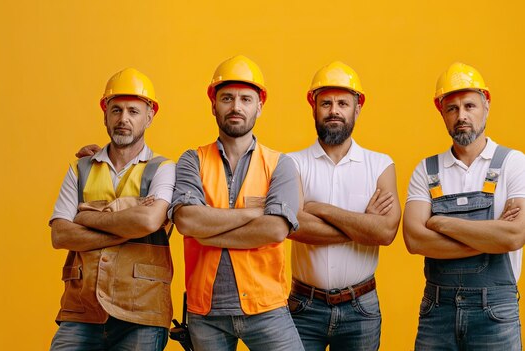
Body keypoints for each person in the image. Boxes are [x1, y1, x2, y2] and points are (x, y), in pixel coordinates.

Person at [168, 55, 305, 351]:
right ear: (213, 104)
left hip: (266, 307)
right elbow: (187, 222)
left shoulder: (280, 164)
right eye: (227, 98)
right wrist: (253, 213)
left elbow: (275, 230)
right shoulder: (192, 160)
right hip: (205, 312)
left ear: (260, 106)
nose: (236, 107)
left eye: (245, 99)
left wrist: (207, 231)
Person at [48, 68, 176, 350]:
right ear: (105, 114)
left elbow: (148, 221)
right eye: (116, 110)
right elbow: (60, 235)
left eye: (133, 111)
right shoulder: (81, 168)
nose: (123, 119)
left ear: (149, 116)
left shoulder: (163, 170)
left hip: (142, 312)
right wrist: (127, 225)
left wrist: (86, 217)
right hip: (82, 310)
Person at [403, 62, 525, 350]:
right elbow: (413, 239)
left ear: (486, 105)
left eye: (469, 106)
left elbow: (514, 236)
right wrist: (491, 236)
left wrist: (441, 223)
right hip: (437, 311)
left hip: (496, 312)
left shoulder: (514, 163)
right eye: (452, 109)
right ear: (442, 114)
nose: (461, 116)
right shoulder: (426, 170)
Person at [287, 61, 401, 351]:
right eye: (326, 103)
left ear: (357, 108)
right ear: (313, 107)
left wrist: (321, 209)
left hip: (360, 308)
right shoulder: (292, 163)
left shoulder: (380, 165)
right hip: (303, 307)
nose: (334, 110)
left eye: (342, 103)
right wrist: (365, 225)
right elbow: (293, 226)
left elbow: (386, 233)